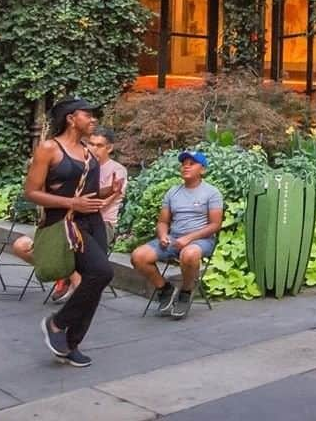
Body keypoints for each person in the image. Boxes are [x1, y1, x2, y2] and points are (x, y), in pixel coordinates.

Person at [23, 98, 122, 367]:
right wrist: (72, 204)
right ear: (70, 118)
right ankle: (57, 323)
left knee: (96, 281)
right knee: (103, 271)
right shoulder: (48, 149)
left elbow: (86, 193)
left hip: (93, 222)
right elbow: (31, 192)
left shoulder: (89, 152)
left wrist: (107, 191)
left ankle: (71, 343)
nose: (93, 120)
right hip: (67, 224)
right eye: (87, 115)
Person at [11, 127, 127, 303]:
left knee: (73, 247)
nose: (93, 148)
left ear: (109, 148)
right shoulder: (77, 165)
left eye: (99, 145)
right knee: (21, 245)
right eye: (90, 144)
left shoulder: (116, 171)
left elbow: (100, 204)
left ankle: (71, 281)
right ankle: (70, 276)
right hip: (66, 220)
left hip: (100, 225)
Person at [130, 150, 223, 320]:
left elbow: (215, 225)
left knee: (189, 254)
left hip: (201, 240)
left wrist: (188, 238)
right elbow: (163, 222)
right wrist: (163, 235)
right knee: (138, 256)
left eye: (191, 164)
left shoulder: (212, 193)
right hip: (174, 238)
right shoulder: (172, 192)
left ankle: (186, 293)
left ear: (202, 170)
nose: (186, 167)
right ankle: (165, 289)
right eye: (184, 164)